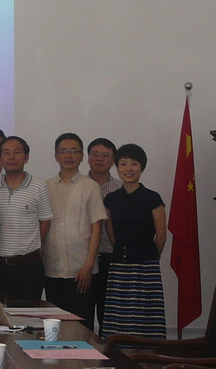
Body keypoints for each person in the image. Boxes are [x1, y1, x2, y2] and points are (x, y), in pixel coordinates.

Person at [100, 143, 167, 339]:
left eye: (134, 164)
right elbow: (111, 234)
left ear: (142, 167)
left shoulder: (152, 198)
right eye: (123, 164)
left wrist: (148, 256)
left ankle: (147, 354)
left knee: (146, 316)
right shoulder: (111, 199)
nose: (128, 169)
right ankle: (120, 353)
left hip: (146, 266)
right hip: (119, 265)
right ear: (117, 167)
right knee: (119, 316)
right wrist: (123, 252)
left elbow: (161, 236)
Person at [43, 133, 107, 331]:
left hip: (81, 271)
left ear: (81, 156)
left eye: (74, 151)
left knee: (81, 328)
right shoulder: (45, 187)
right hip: (52, 268)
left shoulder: (91, 187)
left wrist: (89, 265)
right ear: (56, 156)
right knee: (55, 328)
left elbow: (97, 227)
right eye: (63, 151)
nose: (68, 155)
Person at [0, 136, 52, 302]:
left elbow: (45, 221)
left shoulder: (39, 186)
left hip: (29, 265)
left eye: (17, 152)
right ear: (0, 158)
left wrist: (32, 245)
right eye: (6, 153)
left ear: (26, 157)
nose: (11, 157)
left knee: (28, 314)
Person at [87, 137, 123, 333]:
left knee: (108, 315)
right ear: (88, 157)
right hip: (83, 260)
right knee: (82, 314)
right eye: (95, 154)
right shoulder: (79, 185)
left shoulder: (121, 189)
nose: (99, 158)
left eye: (105, 155)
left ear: (113, 160)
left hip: (110, 259)